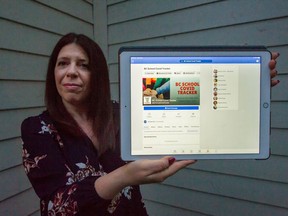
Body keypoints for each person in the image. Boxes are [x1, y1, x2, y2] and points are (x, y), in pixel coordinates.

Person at [21, 33, 280, 216]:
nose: (71, 71)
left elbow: (188, 100)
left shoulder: (118, 114)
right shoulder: (38, 130)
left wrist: (245, 83)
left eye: (83, 65)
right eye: (62, 63)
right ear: (53, 73)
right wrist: (124, 177)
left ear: (97, 75)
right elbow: (59, 206)